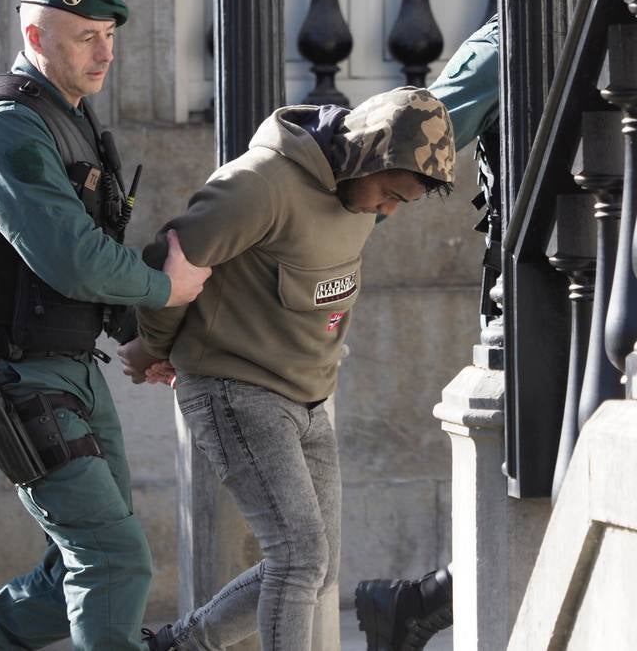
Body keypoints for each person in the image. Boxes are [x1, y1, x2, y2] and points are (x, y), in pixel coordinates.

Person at [353, 0, 612, 651]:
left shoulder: (634, 35)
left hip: (624, 289)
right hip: (541, 293)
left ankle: (412, 606)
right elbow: (422, 134)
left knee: (582, 480)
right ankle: (417, 605)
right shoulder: (512, 43)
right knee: (550, 474)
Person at [125, 85, 455, 651]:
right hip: (236, 389)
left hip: (308, 398)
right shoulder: (262, 183)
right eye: (391, 194)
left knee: (317, 569)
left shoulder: (360, 198)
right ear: (366, 152)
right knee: (298, 558)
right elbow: (172, 258)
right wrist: (154, 347)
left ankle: (176, 646)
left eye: (405, 202)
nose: (390, 211)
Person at [0, 0, 212, 650]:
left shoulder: (69, 117)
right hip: (18, 378)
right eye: (86, 37)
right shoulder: (10, 125)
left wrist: (146, 336)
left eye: (108, 36)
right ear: (34, 34)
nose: (105, 54)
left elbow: (89, 255)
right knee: (111, 558)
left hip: (72, 371)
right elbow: (72, 257)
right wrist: (166, 290)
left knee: (77, 571)